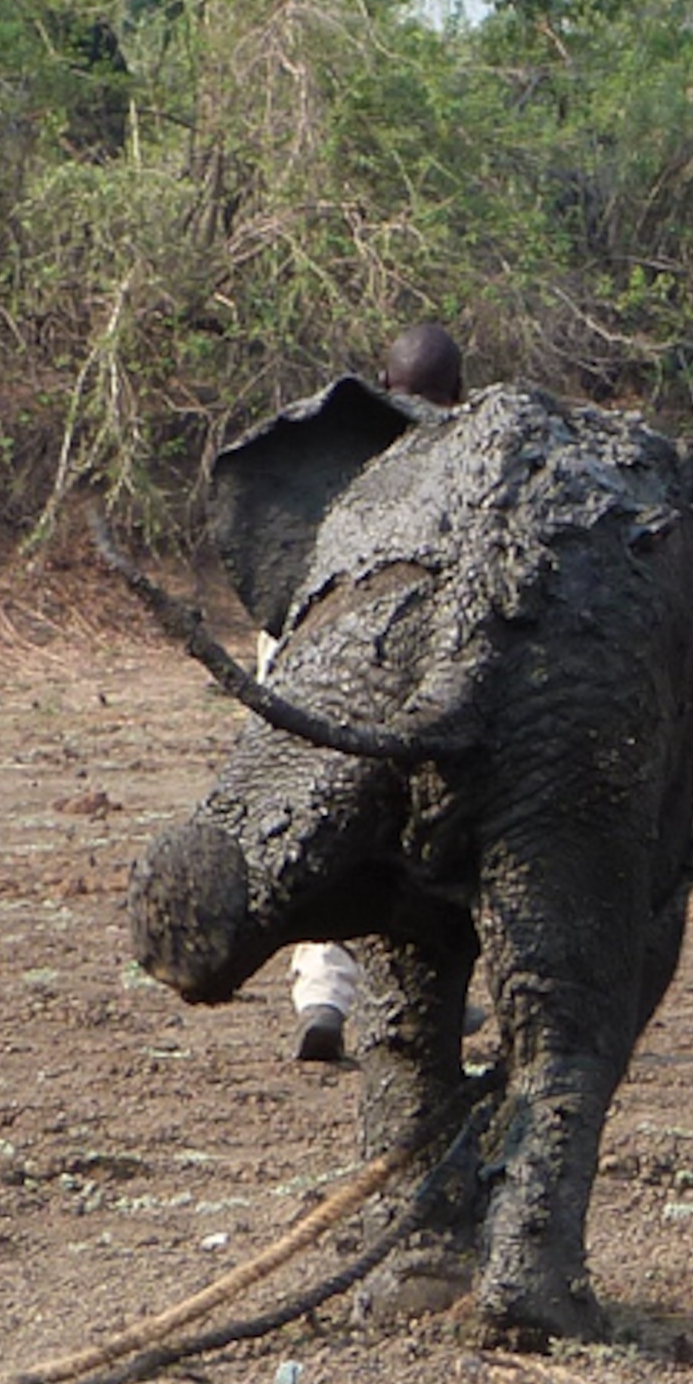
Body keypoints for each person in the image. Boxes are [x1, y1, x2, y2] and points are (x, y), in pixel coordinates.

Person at [277, 323, 465, 1066]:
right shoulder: (473, 456)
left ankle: (325, 996)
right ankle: (422, 995)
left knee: (327, 822)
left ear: (384, 386)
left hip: (319, 664)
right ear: (458, 393)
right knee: (435, 831)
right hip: (427, 670)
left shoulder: (337, 453)